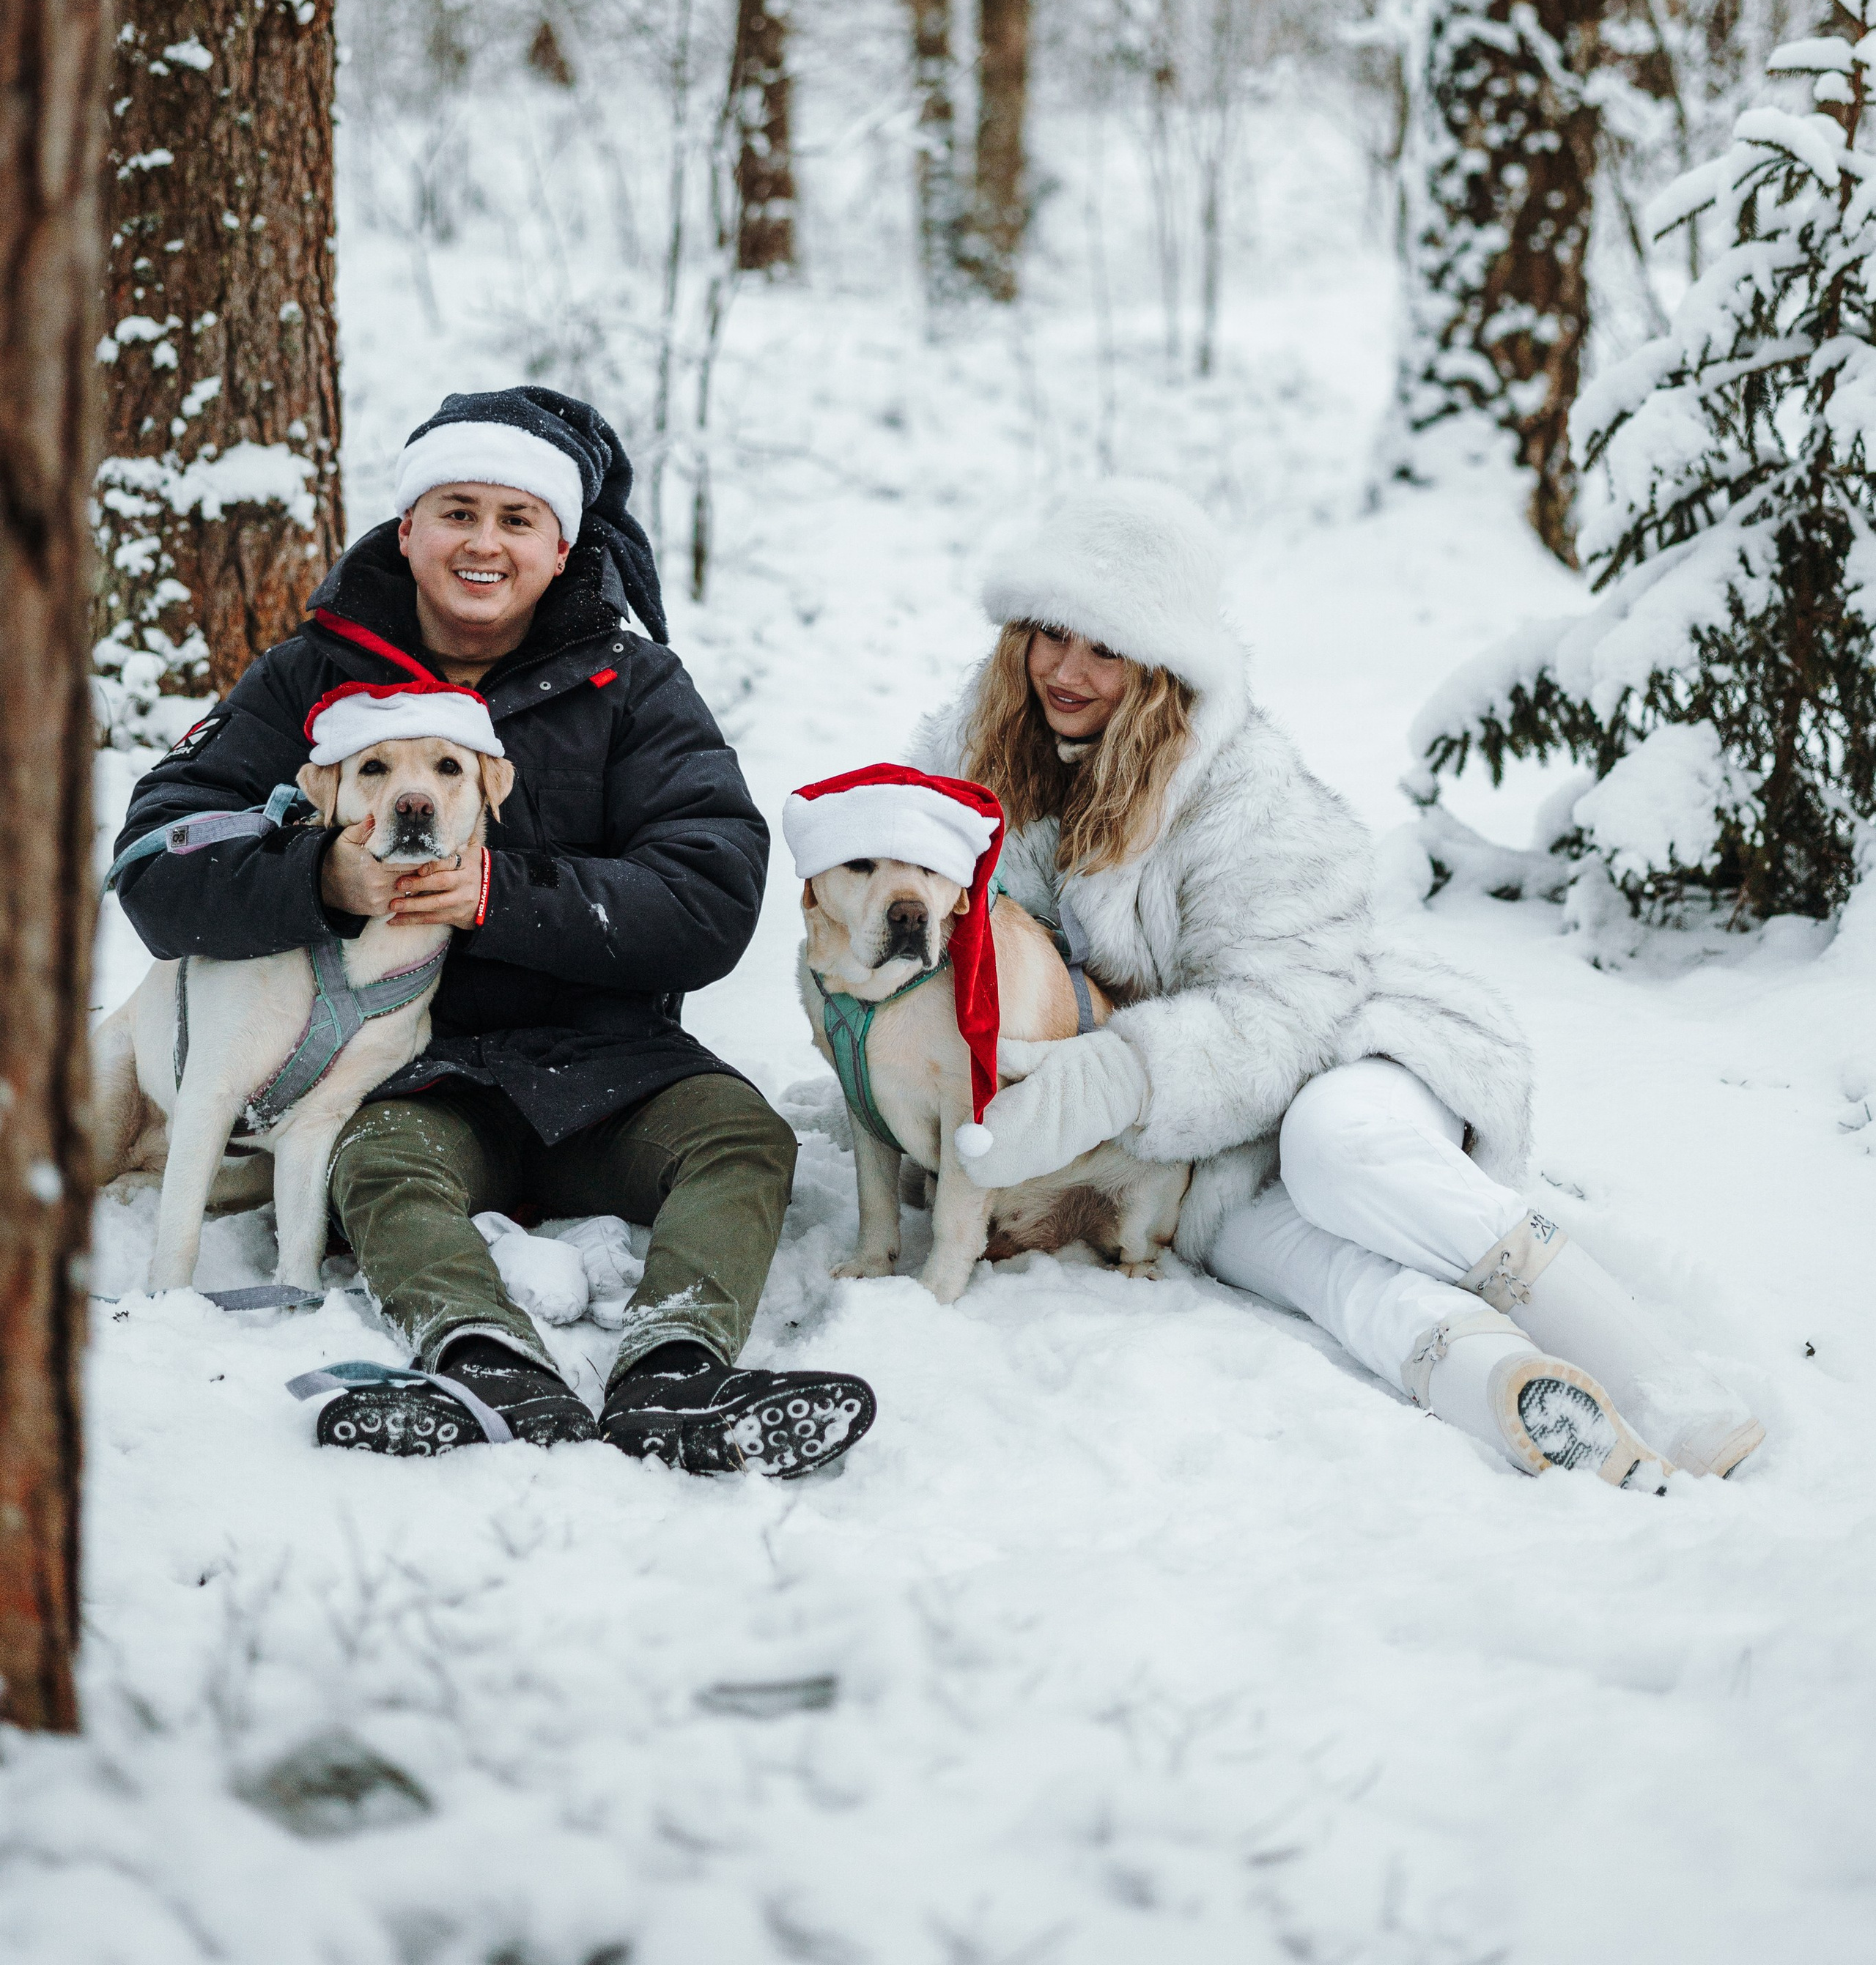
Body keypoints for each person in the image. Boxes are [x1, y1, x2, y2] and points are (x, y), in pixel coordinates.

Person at [918, 476, 1765, 1488]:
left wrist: (1118, 1077)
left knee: (1336, 1156)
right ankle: (1502, 1384)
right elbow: (910, 905)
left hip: (1351, 1047)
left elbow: (1285, 1008)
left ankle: (1672, 1391)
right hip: (1199, 1148)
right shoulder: (975, 755)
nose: (1066, 668)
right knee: (1300, 1263)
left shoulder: (1241, 785)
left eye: (1107, 647)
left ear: (1162, 666)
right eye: (1052, 632)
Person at [114, 385, 875, 1477]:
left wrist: (498, 898)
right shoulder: (310, 678)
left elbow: (709, 897)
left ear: (563, 547)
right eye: (456, 510)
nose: (484, 542)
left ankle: (677, 1373)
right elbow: (158, 862)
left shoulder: (635, 688)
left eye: (518, 520)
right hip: (418, 1078)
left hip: (618, 1067)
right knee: (377, 1168)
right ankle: (479, 1365)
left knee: (743, 1138)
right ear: (408, 528)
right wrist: (316, 876)